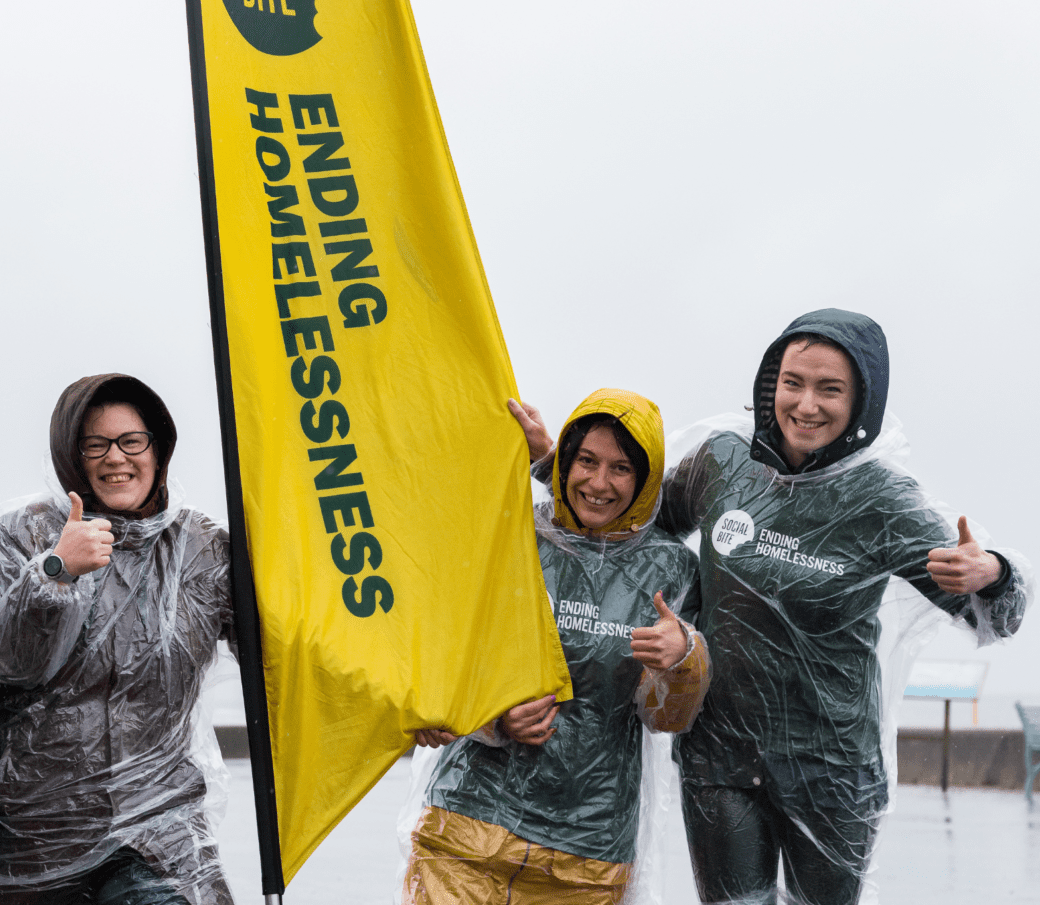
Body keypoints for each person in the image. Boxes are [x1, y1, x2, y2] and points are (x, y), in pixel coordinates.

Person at [654, 309, 1032, 905]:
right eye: (792, 383)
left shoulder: (879, 499)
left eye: (830, 389)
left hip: (830, 768)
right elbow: (632, 529)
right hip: (720, 757)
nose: (806, 405)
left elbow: (999, 618)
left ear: (862, 401)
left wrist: (992, 573)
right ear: (769, 385)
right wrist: (554, 467)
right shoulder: (723, 463)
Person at [401, 388, 711, 905]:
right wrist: (493, 717)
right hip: (466, 828)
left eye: (621, 469)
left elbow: (667, 719)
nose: (598, 482)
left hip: (585, 855)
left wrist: (683, 659)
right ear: (564, 461)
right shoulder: (514, 534)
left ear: (646, 478)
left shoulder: (671, 569)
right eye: (585, 461)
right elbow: (445, 658)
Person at [0, 373, 235, 905]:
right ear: (72, 455)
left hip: (160, 834)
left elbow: (279, 656)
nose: (116, 458)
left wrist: (404, 702)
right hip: (36, 839)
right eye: (95, 445)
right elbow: (8, 663)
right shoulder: (20, 535)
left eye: (131, 441)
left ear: (158, 449)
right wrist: (53, 572)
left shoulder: (201, 549)